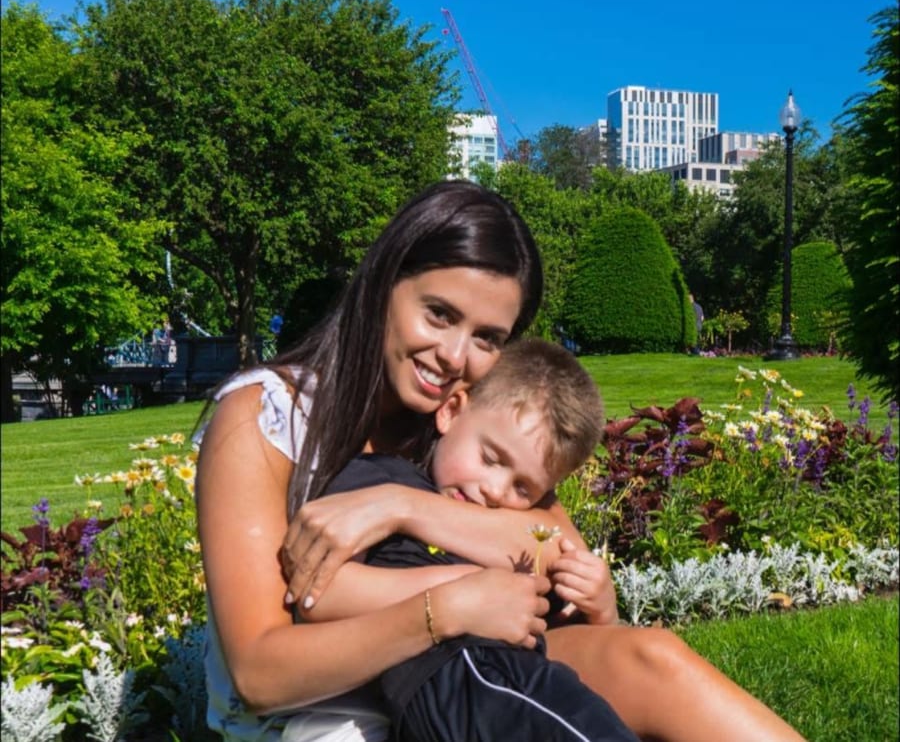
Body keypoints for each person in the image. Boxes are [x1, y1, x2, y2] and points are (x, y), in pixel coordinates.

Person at [198, 180, 806, 742]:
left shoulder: (469, 423)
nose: (454, 356)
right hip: (325, 712)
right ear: (383, 283)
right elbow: (259, 674)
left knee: (654, 658)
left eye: (487, 337)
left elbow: (556, 551)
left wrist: (398, 506)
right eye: (439, 314)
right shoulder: (266, 416)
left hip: (474, 674)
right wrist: (447, 607)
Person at [309, 339, 638, 742]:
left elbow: (557, 623)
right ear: (451, 411)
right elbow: (321, 595)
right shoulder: (381, 479)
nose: (495, 490)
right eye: (490, 459)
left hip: (513, 682)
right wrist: (461, 593)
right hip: (463, 680)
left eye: (523, 488)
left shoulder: (507, 527)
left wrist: (602, 610)